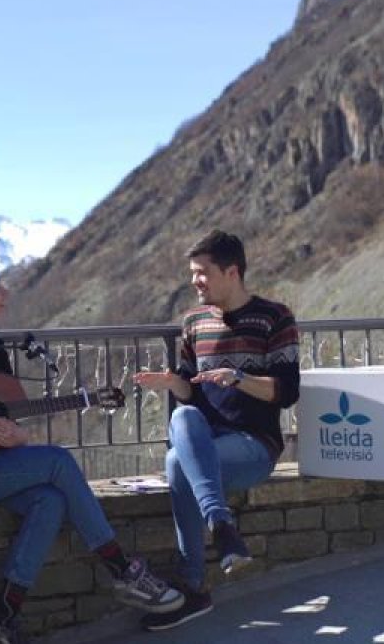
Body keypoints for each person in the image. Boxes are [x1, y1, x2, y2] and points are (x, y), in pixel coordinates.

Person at [0, 257, 183, 644]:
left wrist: (15, 438)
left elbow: (8, 421)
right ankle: (123, 570)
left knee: (49, 500)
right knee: (58, 460)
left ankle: (1, 616)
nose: (5, 293)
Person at [133, 229, 300, 631]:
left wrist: (238, 378)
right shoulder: (192, 324)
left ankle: (192, 586)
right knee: (181, 421)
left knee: (177, 462)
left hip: (253, 446)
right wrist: (174, 384)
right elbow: (190, 392)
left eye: (202, 273)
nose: (195, 282)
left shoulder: (274, 318)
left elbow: (288, 392)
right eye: (192, 274)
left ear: (232, 271)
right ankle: (221, 528)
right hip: (205, 441)